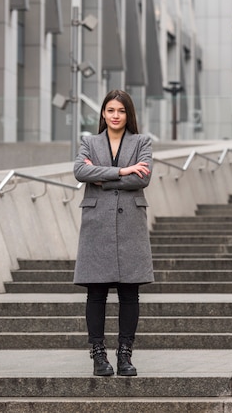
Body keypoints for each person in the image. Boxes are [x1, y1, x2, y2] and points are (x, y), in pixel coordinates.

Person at [73, 89, 154, 376]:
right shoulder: (89, 142)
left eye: (120, 110)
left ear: (128, 113)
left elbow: (142, 178)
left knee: (129, 293)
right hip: (97, 224)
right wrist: (121, 172)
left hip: (130, 224)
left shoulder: (142, 141)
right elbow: (80, 172)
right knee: (96, 293)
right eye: (110, 110)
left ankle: (124, 354)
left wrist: (102, 175)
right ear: (103, 113)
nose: (115, 116)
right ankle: (98, 355)